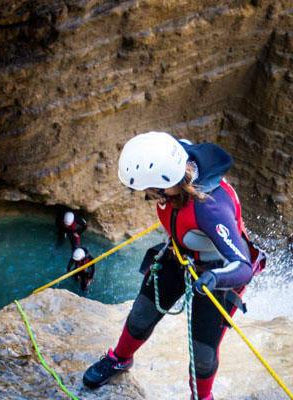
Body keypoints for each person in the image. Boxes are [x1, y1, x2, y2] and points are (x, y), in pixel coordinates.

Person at [83, 131, 265, 400]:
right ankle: (119, 359)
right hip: (180, 254)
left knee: (203, 353)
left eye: (149, 190)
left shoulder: (209, 209)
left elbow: (242, 265)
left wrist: (214, 278)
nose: (146, 194)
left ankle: (202, 397)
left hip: (219, 272)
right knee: (141, 314)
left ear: (164, 184)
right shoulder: (176, 159)